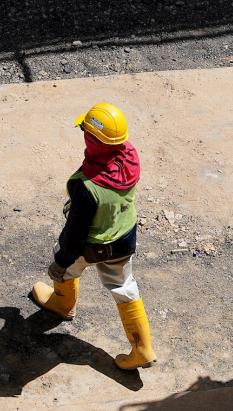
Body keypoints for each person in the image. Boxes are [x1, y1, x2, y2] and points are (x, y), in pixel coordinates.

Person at [31, 103, 157, 370]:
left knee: (66, 267)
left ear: (92, 140)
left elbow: (75, 234)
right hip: (124, 236)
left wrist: (61, 261)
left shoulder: (87, 187)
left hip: (93, 245)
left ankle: (62, 304)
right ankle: (142, 349)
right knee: (124, 287)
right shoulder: (129, 157)